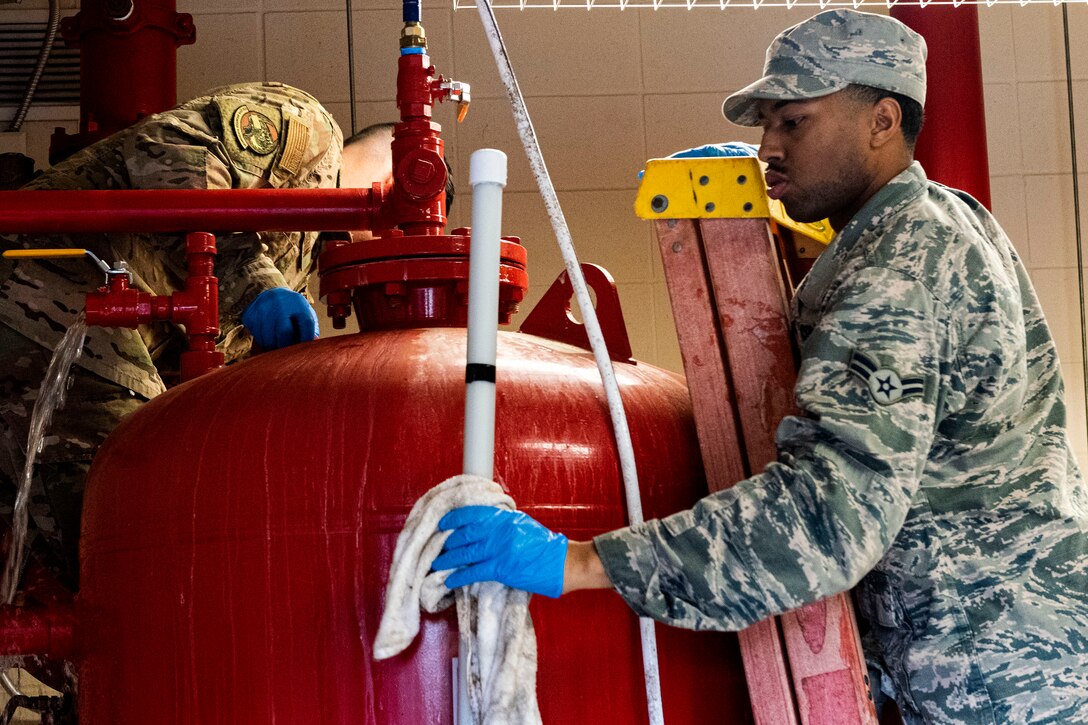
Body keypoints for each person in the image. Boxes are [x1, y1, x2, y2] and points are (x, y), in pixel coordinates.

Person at [432, 10, 1088, 723]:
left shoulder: (896, 267)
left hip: (989, 684)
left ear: (882, 120)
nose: (767, 149)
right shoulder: (951, 220)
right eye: (765, 125)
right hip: (1028, 657)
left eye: (794, 123)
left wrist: (581, 563)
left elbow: (830, 515)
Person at [0, 83, 405, 592]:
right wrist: (254, 284)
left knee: (54, 578)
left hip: (63, 327)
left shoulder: (301, 262)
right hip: (49, 284)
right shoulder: (310, 131)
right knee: (136, 511)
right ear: (394, 183)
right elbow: (167, 149)